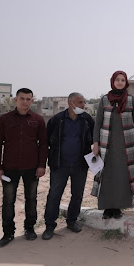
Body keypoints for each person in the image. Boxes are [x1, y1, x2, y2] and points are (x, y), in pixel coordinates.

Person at [0, 88, 47, 248]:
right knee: (8, 201)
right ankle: (8, 233)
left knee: (32, 199)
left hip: (32, 168)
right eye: (22, 98)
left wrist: (41, 165)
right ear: (16, 100)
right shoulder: (5, 119)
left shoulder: (38, 120)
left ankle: (30, 229)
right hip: (9, 168)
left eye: (29, 99)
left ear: (32, 101)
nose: (25, 102)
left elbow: (43, 145)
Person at [42, 92, 94, 240]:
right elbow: (47, 143)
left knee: (77, 195)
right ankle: (49, 225)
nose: (83, 105)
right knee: (54, 195)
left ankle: (72, 221)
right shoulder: (57, 120)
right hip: (60, 166)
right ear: (70, 103)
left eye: (84, 102)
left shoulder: (86, 119)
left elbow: (94, 137)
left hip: (80, 166)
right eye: (80, 102)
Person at [93, 71, 134, 219]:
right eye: (117, 80)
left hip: (126, 145)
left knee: (122, 176)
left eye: (122, 80)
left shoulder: (131, 100)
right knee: (106, 175)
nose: (120, 82)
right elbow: (98, 122)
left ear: (126, 83)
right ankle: (107, 208)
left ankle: (118, 207)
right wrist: (95, 143)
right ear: (112, 81)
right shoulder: (105, 100)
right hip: (107, 145)